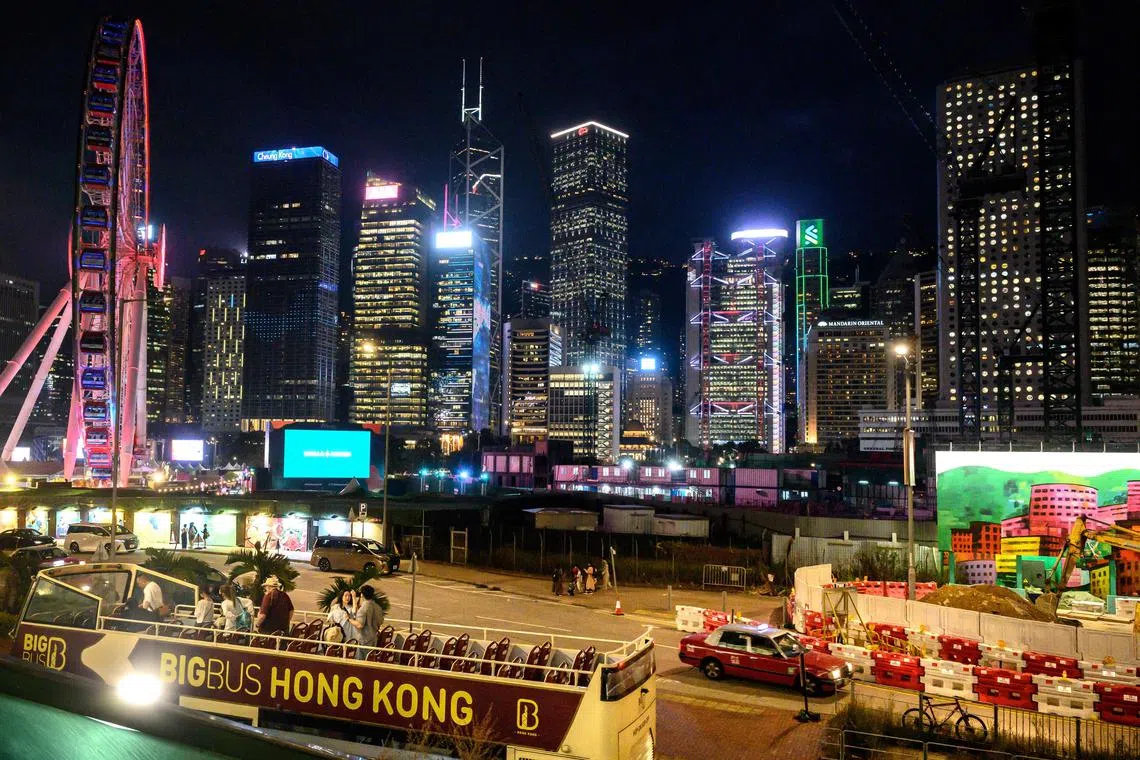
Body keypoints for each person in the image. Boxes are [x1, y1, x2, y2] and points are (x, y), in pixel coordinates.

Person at [349, 585, 385, 659]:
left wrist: (349, 619)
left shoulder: (363, 609)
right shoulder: (377, 607)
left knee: (361, 663)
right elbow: (381, 621)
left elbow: (359, 625)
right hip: (374, 638)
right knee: (371, 659)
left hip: (364, 640)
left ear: (362, 595)